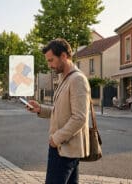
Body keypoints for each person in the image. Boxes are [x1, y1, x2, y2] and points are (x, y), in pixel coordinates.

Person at [27, 38, 90, 184]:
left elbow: (79, 118)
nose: (50, 65)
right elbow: (61, 110)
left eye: (51, 60)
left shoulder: (77, 79)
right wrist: (40, 109)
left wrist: (56, 139)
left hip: (65, 150)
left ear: (63, 56)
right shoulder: (64, 78)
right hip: (63, 148)